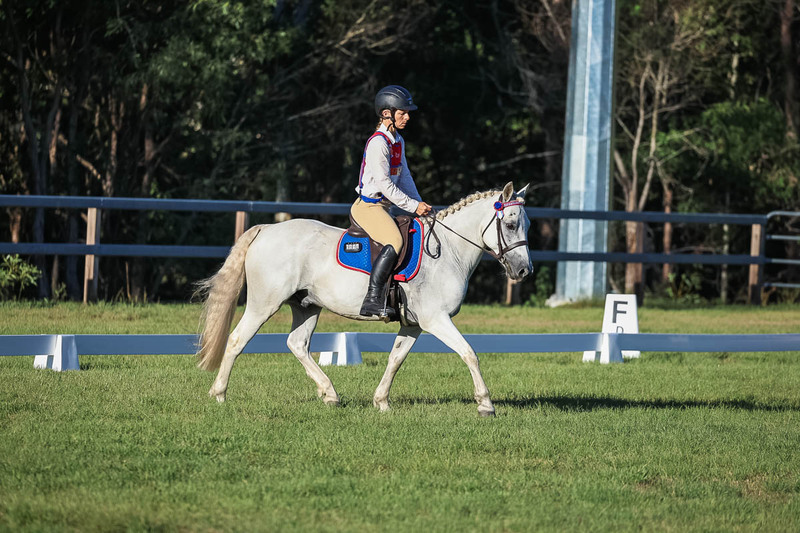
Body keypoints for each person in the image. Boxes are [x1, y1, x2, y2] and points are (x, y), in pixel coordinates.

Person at [352, 85, 432, 318]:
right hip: (368, 206)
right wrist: (412, 206)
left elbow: (404, 176)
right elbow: (385, 185)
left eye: (408, 113)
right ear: (386, 113)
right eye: (402, 112)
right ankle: (373, 299)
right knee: (395, 240)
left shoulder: (398, 140)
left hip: (384, 206)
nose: (407, 117)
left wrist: (420, 205)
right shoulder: (378, 143)